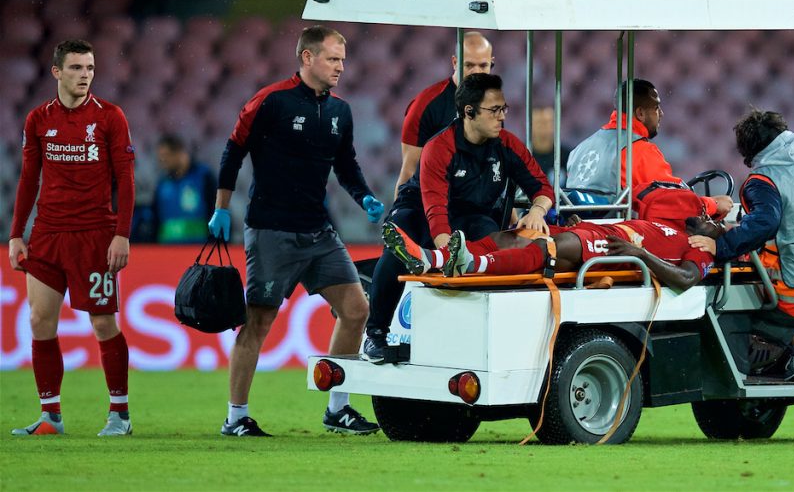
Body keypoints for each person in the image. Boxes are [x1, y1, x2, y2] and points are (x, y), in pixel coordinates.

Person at [209, 25, 385, 437]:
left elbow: (346, 165)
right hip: (272, 230)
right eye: (333, 59)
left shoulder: (341, 111)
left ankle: (337, 409)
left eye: (343, 59)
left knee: (357, 310)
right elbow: (234, 149)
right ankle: (236, 417)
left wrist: (364, 197)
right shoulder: (271, 101)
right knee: (259, 322)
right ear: (307, 58)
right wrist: (221, 208)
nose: (341, 67)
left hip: (318, 232)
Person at [364, 73, 554, 362]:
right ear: (469, 112)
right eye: (494, 110)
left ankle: (482, 336)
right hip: (420, 210)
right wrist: (447, 255)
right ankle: (375, 335)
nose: (502, 117)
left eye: (504, 109)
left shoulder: (507, 144)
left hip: (472, 216)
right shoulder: (439, 148)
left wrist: (537, 211)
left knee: (492, 238)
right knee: (398, 240)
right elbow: (436, 212)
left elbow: (542, 187)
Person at [8, 39, 136, 436]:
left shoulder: (111, 117)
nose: (85, 75)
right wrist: (16, 234)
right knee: (39, 320)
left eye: (90, 68)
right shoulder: (38, 120)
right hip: (46, 234)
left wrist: (121, 235)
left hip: (94, 235)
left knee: (102, 324)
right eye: (77, 68)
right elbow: (29, 179)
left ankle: (120, 415)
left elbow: (126, 181)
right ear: (57, 72)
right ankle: (51, 416)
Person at [688, 110, 794, 382]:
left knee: (740, 310)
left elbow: (764, 223)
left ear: (749, 153)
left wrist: (719, 246)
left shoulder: (763, 180)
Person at [384, 184, 727, 294]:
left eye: (715, 225)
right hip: (599, 233)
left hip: (613, 251)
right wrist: (586, 221)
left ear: (715, 238)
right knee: (513, 235)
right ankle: (435, 259)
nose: (708, 221)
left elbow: (685, 280)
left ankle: (473, 263)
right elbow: (628, 223)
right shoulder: (674, 227)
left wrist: (639, 254)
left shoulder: (698, 251)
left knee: (548, 249)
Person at [394, 31, 494, 199]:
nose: (476, 73)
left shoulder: (493, 108)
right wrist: (396, 220)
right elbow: (409, 171)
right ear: (455, 62)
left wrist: (512, 219)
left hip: (475, 210)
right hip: (433, 205)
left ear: (491, 64)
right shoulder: (425, 105)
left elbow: (495, 172)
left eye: (483, 66)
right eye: (469, 65)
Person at [566, 79, 681, 196]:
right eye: (656, 107)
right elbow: (672, 198)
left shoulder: (578, 150)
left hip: (575, 214)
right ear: (640, 113)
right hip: (616, 214)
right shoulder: (641, 152)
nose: (661, 113)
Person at [152, 133, 217, 244]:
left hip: (197, 250)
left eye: (166, 156)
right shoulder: (162, 184)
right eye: (161, 157)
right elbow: (156, 220)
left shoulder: (203, 177)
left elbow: (216, 211)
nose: (163, 161)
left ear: (179, 152)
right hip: (166, 253)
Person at [530, 106, 571, 187]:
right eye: (539, 122)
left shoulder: (568, 157)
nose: (543, 127)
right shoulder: (519, 156)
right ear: (529, 125)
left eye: (548, 122)